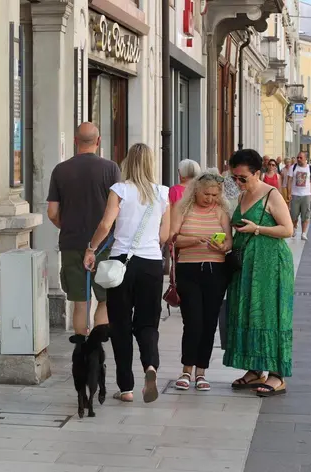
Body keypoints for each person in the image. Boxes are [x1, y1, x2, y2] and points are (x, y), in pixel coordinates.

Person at [83, 143, 170, 404]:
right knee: (147, 323)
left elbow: (105, 224)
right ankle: (151, 367)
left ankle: (126, 387)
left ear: (127, 163)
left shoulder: (120, 190)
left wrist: (92, 248)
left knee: (120, 325)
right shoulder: (163, 193)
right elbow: (164, 236)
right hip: (152, 264)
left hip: (122, 263)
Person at [224, 149, 295, 397]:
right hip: (245, 265)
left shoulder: (271, 194)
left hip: (271, 265)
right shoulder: (242, 196)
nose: (238, 182)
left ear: (257, 173)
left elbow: (288, 229)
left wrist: (257, 229)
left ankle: (277, 375)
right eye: (235, 177)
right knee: (248, 313)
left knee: (270, 314)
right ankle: (254, 369)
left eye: (243, 177)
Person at [47, 122, 121, 341]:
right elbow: (117, 208)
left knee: (80, 302)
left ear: (74, 141)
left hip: (71, 243)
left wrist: (66, 225)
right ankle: (96, 346)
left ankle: (81, 347)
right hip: (103, 244)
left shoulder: (61, 170)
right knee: (104, 299)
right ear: (98, 142)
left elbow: (52, 212)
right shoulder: (111, 169)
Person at [170, 171, 233, 391]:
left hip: (216, 271)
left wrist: (222, 246)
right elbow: (173, 238)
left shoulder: (221, 212)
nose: (210, 199)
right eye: (206, 194)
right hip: (189, 269)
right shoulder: (182, 208)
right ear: (196, 190)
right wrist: (195, 240)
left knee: (209, 322)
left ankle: (201, 372)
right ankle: (187, 369)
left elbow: (229, 243)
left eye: (215, 195)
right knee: (193, 321)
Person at [286, 152, 311, 241]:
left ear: (305, 158)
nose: (298, 159)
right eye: (298, 157)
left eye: (300, 157)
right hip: (295, 194)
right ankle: (294, 229)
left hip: (306, 195)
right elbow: (289, 181)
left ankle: (304, 233)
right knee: (293, 214)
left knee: (306, 215)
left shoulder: (310, 168)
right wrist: (289, 193)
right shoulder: (293, 168)